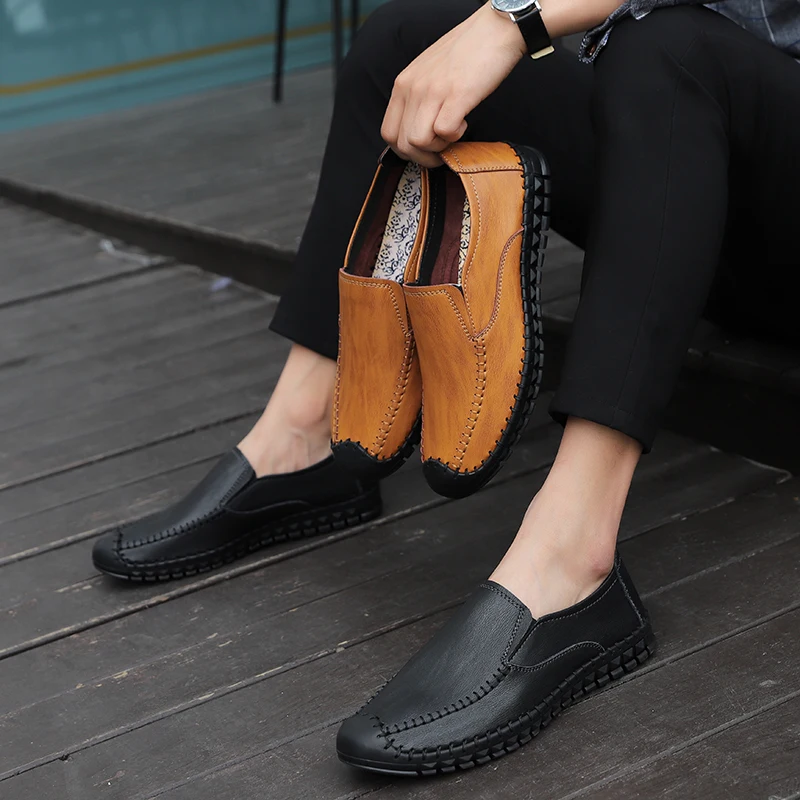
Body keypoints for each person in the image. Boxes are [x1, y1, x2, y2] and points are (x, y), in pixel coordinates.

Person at [92, 0, 800, 777]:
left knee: (668, 48)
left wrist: (510, 21)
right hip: (694, 178)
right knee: (405, 45)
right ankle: (308, 432)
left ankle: (573, 556)